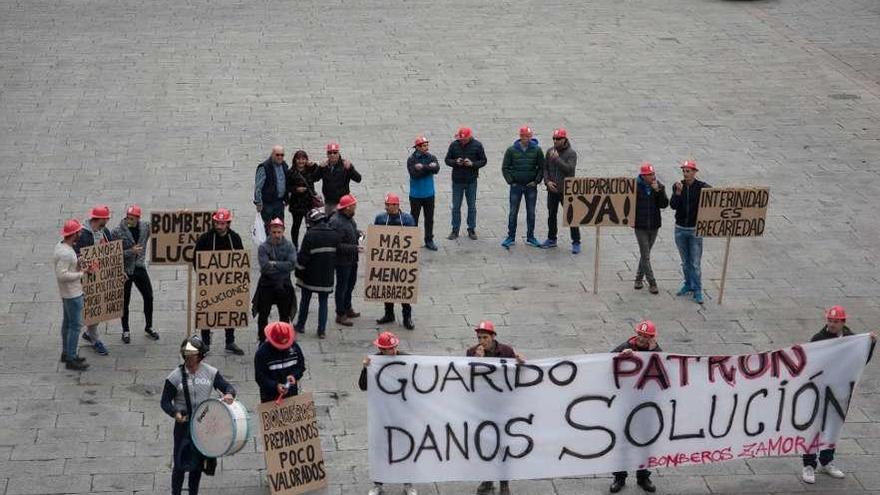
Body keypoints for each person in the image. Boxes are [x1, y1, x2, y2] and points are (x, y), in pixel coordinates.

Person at [801, 306, 876, 485]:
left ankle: (826, 461)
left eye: (836, 321)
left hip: (839, 392)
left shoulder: (852, 339)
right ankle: (809, 465)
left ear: (843, 322)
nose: (832, 324)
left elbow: (861, 360)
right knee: (813, 428)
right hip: (819, 391)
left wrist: (870, 343)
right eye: (830, 320)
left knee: (833, 427)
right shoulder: (818, 339)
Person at [160, 336, 237, 495]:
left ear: (200, 356)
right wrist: (175, 413)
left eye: (192, 355)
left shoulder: (210, 372)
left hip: (203, 426)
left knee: (196, 465)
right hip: (183, 425)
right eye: (186, 354)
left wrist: (229, 394)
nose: (189, 357)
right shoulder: (174, 377)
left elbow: (227, 387)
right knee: (180, 464)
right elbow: (165, 402)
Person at [466, 320, 523, 495]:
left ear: (493, 337)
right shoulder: (471, 352)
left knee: (503, 444)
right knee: (486, 445)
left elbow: (515, 376)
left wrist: (521, 363)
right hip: (483, 406)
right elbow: (468, 377)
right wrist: (477, 362)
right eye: (479, 337)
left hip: (503, 406)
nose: (482, 341)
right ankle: (488, 480)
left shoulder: (506, 351)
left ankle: (504, 483)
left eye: (485, 337)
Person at [359, 331, 417, 495]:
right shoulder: (374, 362)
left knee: (405, 447)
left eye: (392, 348)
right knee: (381, 448)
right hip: (383, 414)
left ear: (396, 346)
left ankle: (408, 484)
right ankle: (378, 483)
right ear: (380, 349)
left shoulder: (407, 359)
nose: (389, 352)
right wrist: (365, 369)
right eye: (386, 349)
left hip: (403, 413)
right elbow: (363, 386)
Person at [610, 320, 662, 493]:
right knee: (623, 441)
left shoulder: (657, 352)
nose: (642, 338)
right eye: (640, 334)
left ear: (652, 338)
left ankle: (643, 476)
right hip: (625, 403)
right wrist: (620, 357)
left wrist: (653, 350)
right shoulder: (625, 346)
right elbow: (606, 363)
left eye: (646, 336)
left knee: (645, 441)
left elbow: (664, 371)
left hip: (646, 404)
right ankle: (619, 477)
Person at [192, 208, 245, 355]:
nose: (220, 226)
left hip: (229, 282)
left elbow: (241, 259)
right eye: (217, 223)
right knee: (207, 311)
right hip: (210, 282)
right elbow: (196, 258)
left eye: (223, 223)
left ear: (228, 224)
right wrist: (203, 276)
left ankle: (230, 341)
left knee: (229, 310)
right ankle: (206, 343)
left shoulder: (235, 238)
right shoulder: (205, 238)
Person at [112, 204, 160, 343]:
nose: (129, 220)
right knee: (124, 301)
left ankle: (149, 326)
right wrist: (130, 252)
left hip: (139, 267)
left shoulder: (145, 227)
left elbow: (161, 226)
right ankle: (125, 330)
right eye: (128, 218)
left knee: (149, 296)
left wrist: (179, 214)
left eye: (133, 218)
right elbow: (113, 254)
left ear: (138, 218)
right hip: (125, 270)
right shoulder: (117, 231)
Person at [54, 219, 97, 370]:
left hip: (67, 293)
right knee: (75, 326)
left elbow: (68, 266)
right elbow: (62, 275)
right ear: (73, 234)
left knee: (67, 323)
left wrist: (78, 262)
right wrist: (81, 273)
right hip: (73, 293)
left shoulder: (63, 246)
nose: (80, 233)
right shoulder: (66, 253)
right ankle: (71, 358)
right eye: (78, 231)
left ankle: (66, 353)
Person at [74, 204, 115, 356]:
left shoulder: (105, 232)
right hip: (86, 278)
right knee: (92, 309)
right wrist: (86, 266)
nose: (108, 221)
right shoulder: (83, 235)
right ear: (99, 219)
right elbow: (76, 255)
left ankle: (90, 333)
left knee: (98, 308)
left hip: (100, 276)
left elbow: (111, 252)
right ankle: (94, 338)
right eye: (106, 219)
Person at [294, 208, 340, 339]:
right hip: (327, 276)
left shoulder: (310, 235)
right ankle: (321, 331)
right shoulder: (334, 234)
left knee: (305, 300)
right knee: (323, 302)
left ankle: (301, 325)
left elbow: (303, 258)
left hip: (309, 276)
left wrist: (298, 272)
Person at [669, 159, 710, 304]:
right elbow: (673, 206)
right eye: (684, 171)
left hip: (694, 230)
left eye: (688, 171)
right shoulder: (677, 186)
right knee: (685, 262)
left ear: (694, 172)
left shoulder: (701, 187)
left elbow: (714, 197)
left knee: (695, 263)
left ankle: (698, 289)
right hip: (680, 229)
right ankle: (688, 284)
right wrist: (678, 193)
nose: (686, 174)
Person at [374, 193, 417, 330]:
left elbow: (412, 238)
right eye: (385, 205)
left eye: (389, 205)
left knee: (403, 289)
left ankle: (407, 317)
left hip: (402, 261)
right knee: (388, 288)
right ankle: (389, 313)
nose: (386, 208)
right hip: (387, 259)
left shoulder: (407, 219)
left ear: (396, 205)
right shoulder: (380, 218)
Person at [254, 218, 297, 342]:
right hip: (267, 284)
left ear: (283, 231)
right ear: (269, 232)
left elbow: (292, 265)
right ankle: (262, 339)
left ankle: (284, 338)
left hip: (284, 284)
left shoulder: (289, 246)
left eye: (279, 232)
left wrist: (274, 264)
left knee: (284, 314)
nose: (277, 235)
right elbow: (265, 266)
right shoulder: (263, 247)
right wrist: (281, 266)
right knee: (263, 314)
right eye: (274, 232)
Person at [501, 126, 544, 249]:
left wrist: (536, 181)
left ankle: (531, 236)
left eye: (528, 136)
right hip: (516, 186)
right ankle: (511, 236)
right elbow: (505, 167)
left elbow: (542, 167)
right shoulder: (511, 150)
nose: (527, 139)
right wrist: (511, 181)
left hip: (531, 186)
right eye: (524, 136)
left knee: (531, 212)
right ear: (520, 136)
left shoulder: (537, 150)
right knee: (513, 212)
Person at [541, 128, 581, 253]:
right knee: (551, 215)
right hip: (552, 190)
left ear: (564, 139)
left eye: (558, 139)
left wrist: (557, 159)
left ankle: (576, 241)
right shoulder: (549, 151)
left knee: (571, 216)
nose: (555, 141)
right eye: (554, 138)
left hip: (566, 190)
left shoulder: (571, 153)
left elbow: (569, 169)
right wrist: (547, 182)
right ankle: (552, 238)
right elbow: (545, 169)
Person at [632, 163, 669, 294]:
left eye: (653, 174)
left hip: (654, 225)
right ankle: (652, 282)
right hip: (640, 226)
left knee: (645, 254)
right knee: (646, 255)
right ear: (643, 176)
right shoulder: (634, 187)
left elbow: (664, 204)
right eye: (650, 175)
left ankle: (638, 278)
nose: (653, 177)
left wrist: (658, 191)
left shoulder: (659, 186)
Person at [445, 127, 487, 240]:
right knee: (456, 207)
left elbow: (483, 161)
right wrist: (455, 162)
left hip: (471, 180)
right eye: (461, 139)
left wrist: (472, 164)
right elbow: (447, 160)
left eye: (465, 139)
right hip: (457, 180)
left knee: (472, 206)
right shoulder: (454, 145)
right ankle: (455, 230)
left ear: (469, 137)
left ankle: (471, 229)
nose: (462, 141)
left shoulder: (477, 145)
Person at [329, 194, 364, 327]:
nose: (355, 207)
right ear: (347, 208)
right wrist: (354, 248)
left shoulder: (349, 218)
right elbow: (336, 245)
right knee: (342, 287)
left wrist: (358, 233)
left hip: (352, 259)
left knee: (351, 284)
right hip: (342, 261)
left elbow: (351, 232)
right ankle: (340, 313)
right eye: (354, 205)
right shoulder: (336, 222)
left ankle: (348, 307)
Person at [254, 322, 305, 403]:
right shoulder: (262, 353)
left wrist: (294, 376)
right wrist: (275, 386)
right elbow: (260, 377)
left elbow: (301, 366)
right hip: (270, 397)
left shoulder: (295, 348)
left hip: (291, 394)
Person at [407, 136, 441, 251]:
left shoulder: (431, 157)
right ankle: (412, 241)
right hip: (416, 195)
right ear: (417, 147)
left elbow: (436, 169)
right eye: (424, 145)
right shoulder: (411, 159)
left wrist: (422, 168)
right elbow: (414, 175)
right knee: (414, 219)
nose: (427, 147)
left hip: (429, 194)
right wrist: (429, 168)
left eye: (427, 145)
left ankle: (429, 240)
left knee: (429, 218)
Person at [314, 142, 362, 214]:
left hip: (343, 202)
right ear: (327, 154)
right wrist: (319, 168)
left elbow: (358, 179)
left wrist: (351, 169)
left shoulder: (345, 165)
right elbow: (314, 178)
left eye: (335, 152)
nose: (332, 155)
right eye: (330, 153)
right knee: (329, 222)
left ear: (338, 153)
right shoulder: (324, 166)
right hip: (329, 202)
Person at [286, 149, 320, 247]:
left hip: (309, 202)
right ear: (295, 160)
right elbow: (287, 187)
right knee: (296, 225)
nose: (301, 161)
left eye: (303, 159)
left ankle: (309, 246)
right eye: (299, 159)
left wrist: (313, 165)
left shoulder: (310, 169)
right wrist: (296, 189)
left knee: (310, 226)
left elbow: (318, 175)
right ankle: (295, 245)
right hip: (296, 203)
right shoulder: (290, 172)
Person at [254, 145, 289, 234]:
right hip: (267, 204)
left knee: (279, 227)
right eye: (277, 155)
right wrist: (258, 202)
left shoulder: (284, 165)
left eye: (282, 155)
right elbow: (258, 187)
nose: (280, 157)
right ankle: (268, 247)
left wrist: (287, 198)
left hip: (280, 203)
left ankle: (278, 246)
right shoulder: (264, 167)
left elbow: (287, 182)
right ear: (272, 154)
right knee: (267, 228)